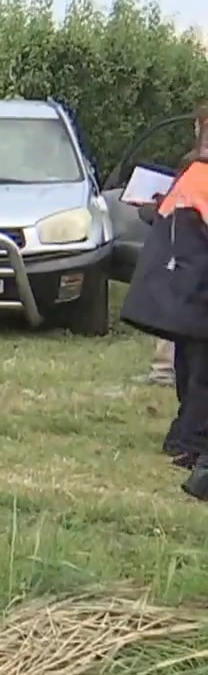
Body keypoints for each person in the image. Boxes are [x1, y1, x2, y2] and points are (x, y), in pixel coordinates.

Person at [123, 102, 208, 475]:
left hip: (180, 292)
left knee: (189, 367)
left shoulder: (192, 175)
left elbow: (163, 214)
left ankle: (181, 437)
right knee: (201, 374)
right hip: (199, 289)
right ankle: (191, 443)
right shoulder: (201, 177)